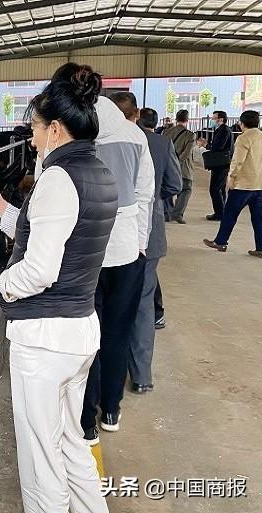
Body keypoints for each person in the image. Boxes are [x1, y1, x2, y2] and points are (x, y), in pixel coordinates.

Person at [0, 62, 117, 513]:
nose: (31, 137)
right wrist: (1, 206)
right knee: (71, 442)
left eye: (35, 128)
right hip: (77, 331)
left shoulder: (57, 178)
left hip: (45, 341)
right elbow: (53, 234)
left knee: (41, 459)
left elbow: (39, 269)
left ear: (55, 129)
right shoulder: (97, 171)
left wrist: (2, 282)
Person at [81, 94, 155, 440]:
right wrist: (140, 242)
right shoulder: (135, 135)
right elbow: (145, 195)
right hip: (126, 251)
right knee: (117, 332)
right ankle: (111, 408)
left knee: (85, 335)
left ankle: (85, 418)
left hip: (85, 252)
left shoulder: (74, 133)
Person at [130, 107, 182, 393]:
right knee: (143, 303)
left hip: (114, 237)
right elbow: (174, 183)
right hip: (151, 235)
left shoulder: (107, 140)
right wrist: (152, 202)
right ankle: (141, 376)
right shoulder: (162, 143)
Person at [203, 110, 262, 258]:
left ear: (242, 123)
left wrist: (231, 177)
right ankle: (260, 248)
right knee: (258, 218)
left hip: (243, 184)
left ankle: (221, 241)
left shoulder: (243, 138)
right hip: (259, 185)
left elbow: (238, 161)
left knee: (230, 214)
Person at [163, 110, 196, 224]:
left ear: (176, 119)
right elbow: (186, 154)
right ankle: (177, 214)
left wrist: (170, 164)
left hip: (167, 166)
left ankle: (167, 213)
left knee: (167, 189)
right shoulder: (190, 135)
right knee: (186, 190)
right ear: (187, 120)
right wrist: (177, 162)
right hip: (184, 169)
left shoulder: (166, 132)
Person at [206, 110, 234, 220]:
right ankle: (222, 211)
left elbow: (218, 146)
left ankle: (219, 213)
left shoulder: (224, 131)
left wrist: (207, 145)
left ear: (220, 119)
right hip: (221, 163)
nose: (212, 120)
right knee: (220, 188)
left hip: (221, 164)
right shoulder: (222, 130)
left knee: (214, 189)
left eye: (214, 118)